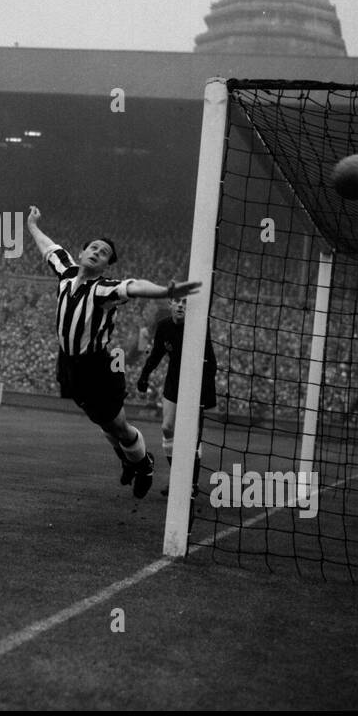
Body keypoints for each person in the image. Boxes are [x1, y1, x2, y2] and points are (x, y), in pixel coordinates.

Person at [25, 206, 200, 498]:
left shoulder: (103, 289)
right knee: (103, 423)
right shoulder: (65, 273)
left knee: (117, 425)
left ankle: (143, 464)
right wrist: (32, 225)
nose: (96, 252)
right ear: (81, 254)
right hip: (68, 364)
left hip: (97, 368)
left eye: (103, 252)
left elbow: (134, 287)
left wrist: (164, 291)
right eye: (93, 247)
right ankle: (130, 460)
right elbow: (48, 247)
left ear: (106, 265)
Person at [136, 297, 217, 496]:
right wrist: (144, 375)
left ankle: (191, 483)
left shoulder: (198, 327)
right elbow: (156, 354)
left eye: (185, 302)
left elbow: (211, 362)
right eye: (177, 301)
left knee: (191, 437)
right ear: (170, 305)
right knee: (167, 427)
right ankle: (179, 478)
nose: (181, 305)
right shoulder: (163, 326)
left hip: (196, 382)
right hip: (174, 380)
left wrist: (204, 391)